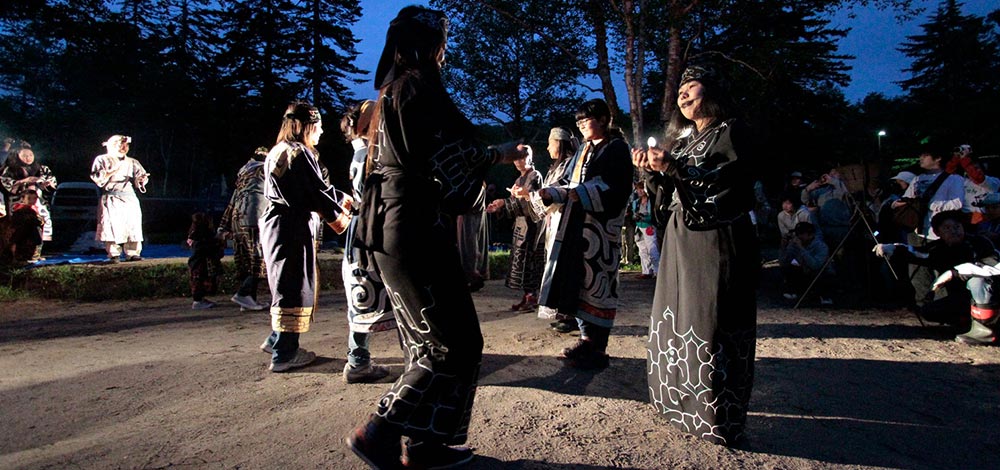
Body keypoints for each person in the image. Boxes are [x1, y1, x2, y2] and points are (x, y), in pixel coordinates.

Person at [344, 7, 526, 469]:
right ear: (427, 46)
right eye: (440, 43)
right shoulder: (418, 87)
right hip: (413, 227)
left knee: (428, 343)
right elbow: (456, 153)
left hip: (393, 227)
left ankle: (427, 445)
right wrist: (498, 154)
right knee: (453, 342)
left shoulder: (390, 94)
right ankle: (379, 429)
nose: (444, 53)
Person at [632, 63, 759, 446]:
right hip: (679, 238)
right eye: (680, 90)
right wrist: (651, 173)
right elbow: (665, 200)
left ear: (713, 90)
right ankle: (677, 404)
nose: (683, 95)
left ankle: (716, 418)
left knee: (709, 319)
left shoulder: (733, 131)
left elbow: (728, 185)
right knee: (677, 316)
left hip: (715, 237)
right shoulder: (685, 141)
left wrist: (674, 168)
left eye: (691, 87)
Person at [527, 99, 633, 370]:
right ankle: (586, 340)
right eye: (579, 121)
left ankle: (598, 348)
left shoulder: (617, 148)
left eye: (588, 119)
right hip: (576, 228)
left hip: (600, 231)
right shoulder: (584, 149)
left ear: (604, 119)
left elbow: (618, 187)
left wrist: (584, 193)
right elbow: (569, 184)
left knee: (598, 283)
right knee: (580, 283)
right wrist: (550, 192)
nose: (583, 125)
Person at [257, 101, 353, 373]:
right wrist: (344, 214)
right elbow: (317, 193)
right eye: (319, 126)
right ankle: (285, 353)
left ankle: (276, 339)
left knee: (284, 282)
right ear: (307, 126)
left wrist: (339, 197)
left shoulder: (279, 150)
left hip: (279, 225)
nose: (321, 132)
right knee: (293, 284)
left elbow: (315, 189)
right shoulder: (298, 152)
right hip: (291, 226)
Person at [339, 99, 395, 384]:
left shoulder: (363, 153)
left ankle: (358, 359)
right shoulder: (369, 155)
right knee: (373, 292)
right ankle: (359, 362)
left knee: (363, 293)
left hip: (364, 229)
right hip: (372, 232)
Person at [874, 210, 998, 327]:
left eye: (957, 227)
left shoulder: (980, 243)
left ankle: (986, 323)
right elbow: (916, 253)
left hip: (988, 294)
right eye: (947, 228)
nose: (954, 231)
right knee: (929, 311)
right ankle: (964, 321)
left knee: (977, 283)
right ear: (937, 232)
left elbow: (991, 265)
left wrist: (955, 272)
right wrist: (892, 248)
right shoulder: (938, 249)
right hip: (960, 298)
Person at [512, 127, 579, 333]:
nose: (548, 147)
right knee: (554, 266)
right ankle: (561, 311)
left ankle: (570, 314)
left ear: (559, 143)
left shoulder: (570, 166)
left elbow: (562, 191)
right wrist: (528, 197)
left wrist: (533, 195)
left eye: (551, 142)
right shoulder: (554, 168)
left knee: (564, 267)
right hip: (553, 222)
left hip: (565, 221)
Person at [891, 144, 965, 308]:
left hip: (940, 233)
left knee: (942, 271)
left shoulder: (954, 179)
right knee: (918, 272)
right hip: (917, 230)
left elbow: (958, 203)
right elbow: (908, 199)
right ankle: (923, 306)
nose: (921, 159)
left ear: (937, 158)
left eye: (925, 156)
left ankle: (943, 307)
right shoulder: (917, 180)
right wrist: (900, 204)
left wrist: (931, 205)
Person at [486, 146, 545, 311]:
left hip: (532, 224)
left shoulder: (535, 175)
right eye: (516, 157)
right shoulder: (519, 180)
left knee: (531, 259)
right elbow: (514, 202)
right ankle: (527, 295)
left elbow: (529, 200)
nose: (519, 161)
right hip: (521, 225)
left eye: (523, 157)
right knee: (522, 260)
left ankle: (532, 296)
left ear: (530, 157)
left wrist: (504, 203)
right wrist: (500, 205)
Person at [218, 147, 269, 311]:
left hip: (238, 218)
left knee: (245, 259)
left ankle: (248, 300)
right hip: (254, 216)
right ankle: (244, 293)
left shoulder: (243, 176)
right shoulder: (265, 170)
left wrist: (222, 226)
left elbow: (232, 201)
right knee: (259, 257)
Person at [90, 135, 149, 263]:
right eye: (120, 145)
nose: (123, 148)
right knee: (111, 225)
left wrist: (141, 180)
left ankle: (133, 252)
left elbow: (141, 175)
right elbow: (97, 177)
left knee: (132, 225)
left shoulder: (132, 161)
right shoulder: (101, 159)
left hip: (129, 197)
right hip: (111, 197)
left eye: (125, 145)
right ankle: (113, 253)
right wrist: (110, 172)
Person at [1, 145, 56, 260]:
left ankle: (37, 253)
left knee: (40, 224)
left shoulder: (42, 168)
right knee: (20, 228)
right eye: (24, 156)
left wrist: (46, 184)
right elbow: (6, 183)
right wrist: (24, 181)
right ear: (17, 156)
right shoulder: (10, 169)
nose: (28, 158)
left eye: (30, 155)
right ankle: (17, 254)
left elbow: (52, 182)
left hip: (38, 201)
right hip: (19, 202)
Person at [779, 222, 834, 304]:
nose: (798, 236)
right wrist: (783, 248)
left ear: (811, 235)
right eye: (797, 233)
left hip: (819, 273)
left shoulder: (821, 246)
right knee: (789, 269)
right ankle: (794, 292)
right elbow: (783, 263)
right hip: (804, 272)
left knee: (824, 276)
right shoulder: (794, 244)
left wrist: (801, 248)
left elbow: (815, 265)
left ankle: (824, 296)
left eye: (801, 234)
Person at [187, 212, 224, 310]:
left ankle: (200, 299)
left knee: (201, 281)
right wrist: (217, 242)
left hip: (198, 263)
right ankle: (198, 301)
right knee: (199, 281)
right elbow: (206, 247)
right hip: (200, 264)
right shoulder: (201, 236)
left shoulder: (195, 235)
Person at [630, 182, 660, 279]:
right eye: (638, 189)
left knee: (652, 249)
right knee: (642, 250)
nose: (639, 191)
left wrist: (644, 218)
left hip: (648, 226)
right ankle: (646, 271)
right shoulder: (636, 202)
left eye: (641, 189)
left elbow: (653, 216)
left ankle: (657, 271)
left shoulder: (651, 201)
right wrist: (635, 217)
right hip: (639, 227)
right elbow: (633, 214)